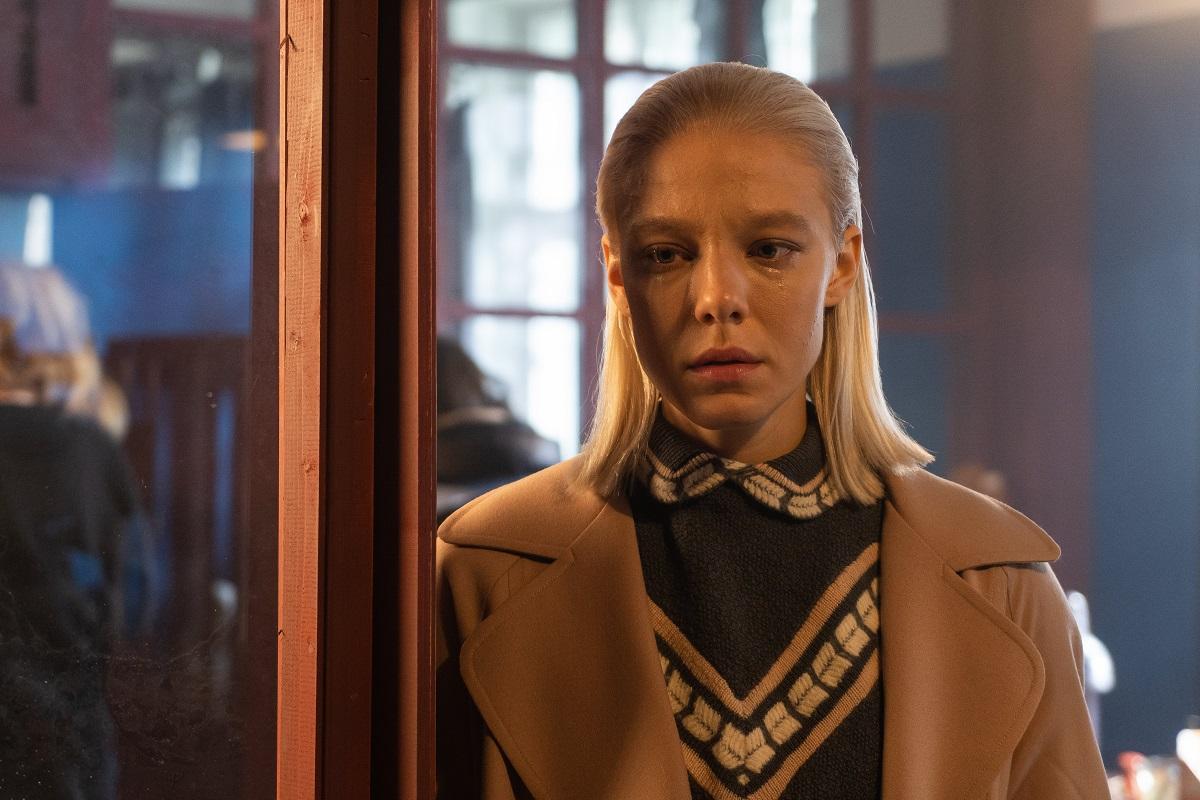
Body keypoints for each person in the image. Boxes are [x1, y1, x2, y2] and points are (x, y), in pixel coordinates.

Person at [436, 63, 1108, 799]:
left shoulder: (1001, 583)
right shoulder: (486, 573)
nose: (716, 298)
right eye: (667, 254)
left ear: (842, 264)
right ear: (619, 275)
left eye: (768, 249)